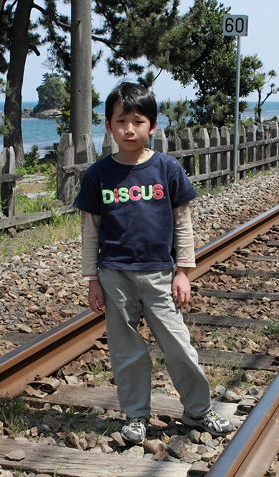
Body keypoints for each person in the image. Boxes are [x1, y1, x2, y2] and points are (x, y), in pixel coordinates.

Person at [72, 82, 233, 444]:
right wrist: (92, 280)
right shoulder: (98, 175)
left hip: (161, 274)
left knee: (179, 347)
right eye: (120, 121)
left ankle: (198, 411)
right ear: (109, 125)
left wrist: (183, 271)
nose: (129, 129)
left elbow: (183, 222)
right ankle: (135, 416)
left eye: (138, 121)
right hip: (114, 275)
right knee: (127, 351)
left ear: (153, 126)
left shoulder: (167, 168)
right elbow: (91, 232)